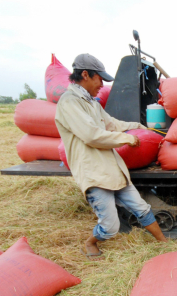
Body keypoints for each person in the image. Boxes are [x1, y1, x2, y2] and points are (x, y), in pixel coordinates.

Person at [55, 53, 167, 257]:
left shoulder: (91, 103)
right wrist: (126, 139)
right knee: (110, 225)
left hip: (111, 168)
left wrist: (139, 127)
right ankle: (90, 243)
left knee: (142, 207)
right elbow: (91, 135)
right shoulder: (69, 102)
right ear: (86, 75)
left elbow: (112, 124)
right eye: (100, 79)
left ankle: (164, 243)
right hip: (94, 172)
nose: (102, 84)